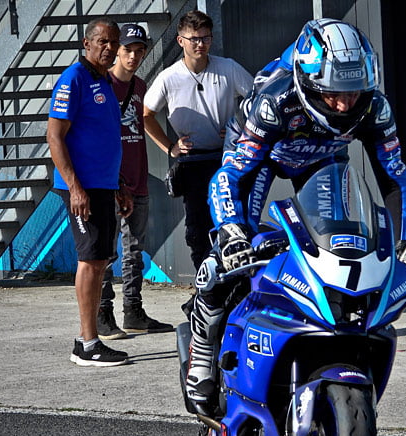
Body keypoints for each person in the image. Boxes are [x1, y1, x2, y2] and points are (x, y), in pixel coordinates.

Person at [184, 19, 406, 409]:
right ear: (309, 83)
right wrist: (231, 232)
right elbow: (231, 174)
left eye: (353, 92)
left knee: (343, 244)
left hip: (323, 160)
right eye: (333, 94)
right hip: (264, 156)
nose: (345, 105)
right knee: (228, 257)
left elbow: (397, 175)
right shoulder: (275, 102)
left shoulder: (375, 107)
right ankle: (202, 350)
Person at [142, 10, 254, 284]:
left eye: (205, 38)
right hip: (192, 163)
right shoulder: (169, 77)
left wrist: (240, 128)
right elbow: (145, 115)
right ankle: (206, 286)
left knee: (235, 225)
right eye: (194, 39)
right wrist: (170, 147)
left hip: (228, 160)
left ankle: (238, 285)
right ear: (180, 40)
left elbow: (259, 100)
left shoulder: (228, 67)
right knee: (197, 229)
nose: (200, 44)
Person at [47, 17, 133, 367]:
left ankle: (88, 340)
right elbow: (55, 136)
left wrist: (119, 185)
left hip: (103, 186)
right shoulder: (74, 78)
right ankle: (88, 343)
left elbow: (104, 139)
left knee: (99, 261)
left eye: (114, 42)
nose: (109, 48)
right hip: (82, 189)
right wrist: (75, 188)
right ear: (87, 43)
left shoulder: (105, 81)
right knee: (90, 261)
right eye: (102, 41)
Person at [97, 23, 173, 339]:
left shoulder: (140, 86)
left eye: (139, 51)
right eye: (128, 50)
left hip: (138, 178)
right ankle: (103, 314)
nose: (133, 56)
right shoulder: (101, 84)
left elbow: (146, 122)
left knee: (134, 250)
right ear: (117, 50)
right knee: (105, 252)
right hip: (109, 183)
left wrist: (171, 148)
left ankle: (133, 311)